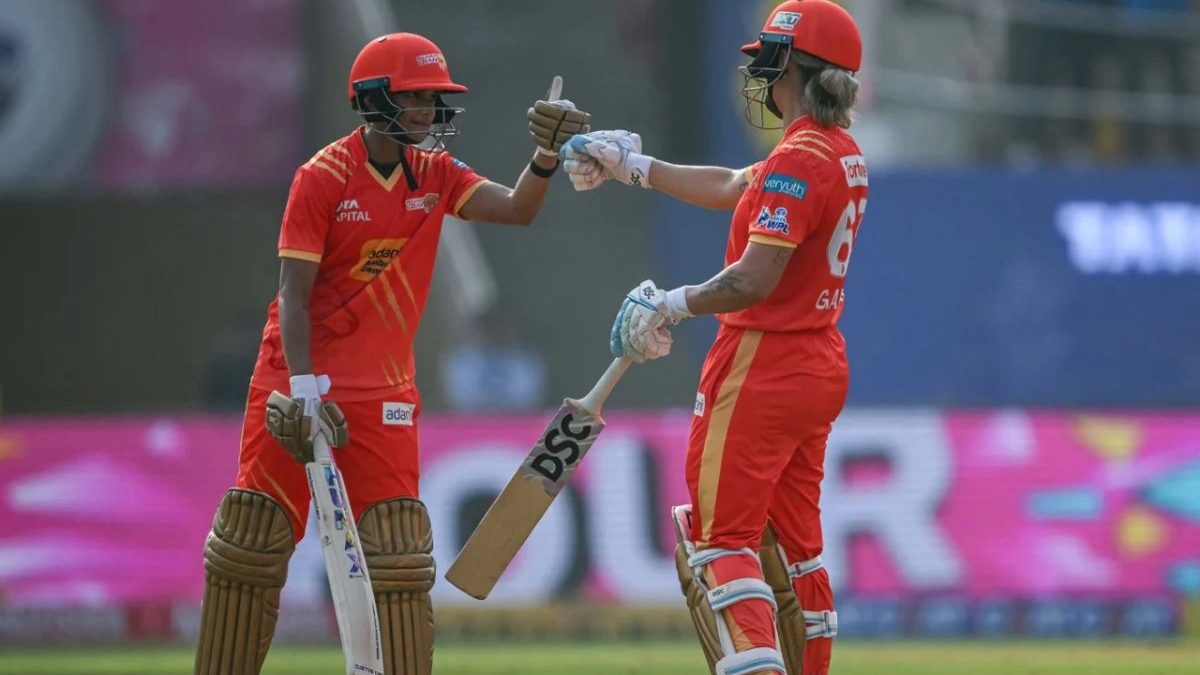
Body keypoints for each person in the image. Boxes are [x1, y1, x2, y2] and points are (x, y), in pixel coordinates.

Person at [192, 32, 590, 675]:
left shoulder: (435, 174)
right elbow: (292, 297)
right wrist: (303, 390)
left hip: (383, 390)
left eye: (436, 101)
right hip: (295, 384)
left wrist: (545, 155)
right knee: (252, 546)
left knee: (399, 557)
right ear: (374, 101)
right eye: (418, 100)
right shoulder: (321, 178)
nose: (431, 114)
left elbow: (516, 210)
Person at [562, 2, 866, 673]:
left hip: (763, 360)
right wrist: (633, 165)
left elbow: (754, 278)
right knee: (795, 548)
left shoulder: (797, 162)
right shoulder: (836, 153)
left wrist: (671, 304)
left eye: (767, 62)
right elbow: (733, 184)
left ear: (792, 68)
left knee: (716, 540)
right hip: (819, 362)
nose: (759, 75)